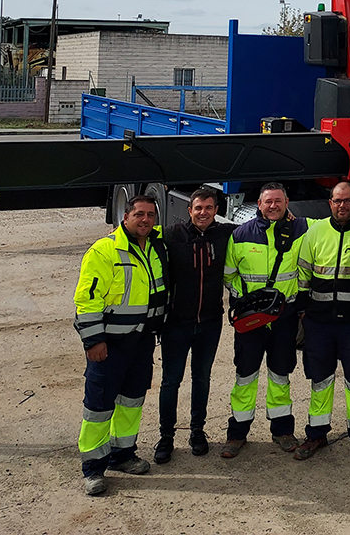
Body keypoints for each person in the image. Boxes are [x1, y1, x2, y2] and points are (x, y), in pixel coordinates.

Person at [73, 195, 168, 496]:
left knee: (132, 401)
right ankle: (93, 469)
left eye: (150, 215)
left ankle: (123, 455)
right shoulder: (104, 251)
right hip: (110, 344)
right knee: (99, 407)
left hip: (142, 341)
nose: (145, 220)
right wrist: (93, 340)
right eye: (139, 214)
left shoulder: (156, 247)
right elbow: (86, 300)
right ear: (125, 217)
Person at [291, 182, 350, 465]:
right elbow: (303, 272)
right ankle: (317, 433)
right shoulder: (315, 231)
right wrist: (304, 311)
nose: (342, 206)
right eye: (337, 201)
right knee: (320, 380)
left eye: (347, 201)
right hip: (319, 322)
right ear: (330, 203)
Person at [220, 183, 306, 457]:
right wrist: (246, 302)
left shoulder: (301, 230)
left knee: (281, 375)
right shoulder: (241, 234)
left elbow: (336, 220)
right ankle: (237, 434)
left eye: (278, 201)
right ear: (258, 204)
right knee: (245, 376)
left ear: (287, 202)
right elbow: (229, 274)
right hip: (251, 322)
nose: (273, 206)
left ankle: (282, 431)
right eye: (268, 202)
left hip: (284, 319)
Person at [153, 185, 232, 462]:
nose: (203, 212)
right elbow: (139, 233)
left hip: (210, 322)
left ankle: (198, 431)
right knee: (170, 382)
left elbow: (258, 227)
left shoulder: (225, 233)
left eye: (208, 208)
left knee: (202, 379)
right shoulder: (172, 235)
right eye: (198, 208)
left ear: (216, 211)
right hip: (177, 323)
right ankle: (166, 437)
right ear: (189, 210)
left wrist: (293, 217)